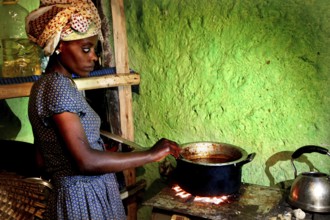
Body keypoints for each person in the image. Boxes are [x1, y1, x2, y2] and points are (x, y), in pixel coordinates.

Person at [25, 1, 181, 219]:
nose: (94, 57)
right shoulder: (57, 87)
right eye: (86, 49)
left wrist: (97, 150)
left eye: (94, 50)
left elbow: (42, 159)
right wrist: (149, 154)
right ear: (60, 45)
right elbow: (86, 162)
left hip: (78, 195)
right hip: (83, 199)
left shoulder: (47, 85)